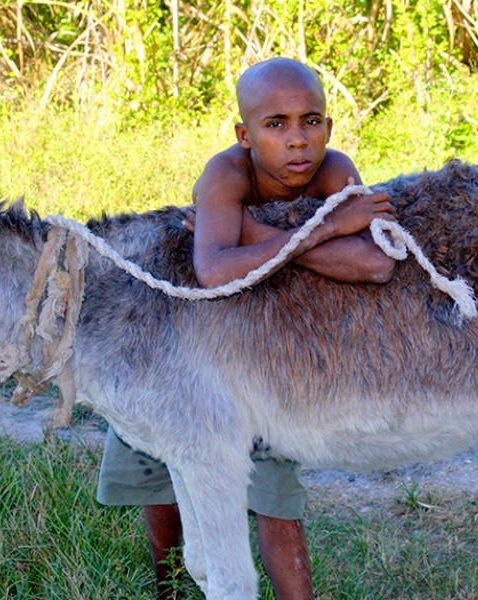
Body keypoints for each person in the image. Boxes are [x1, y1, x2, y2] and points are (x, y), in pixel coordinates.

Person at [97, 57, 396, 600]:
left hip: (267, 354)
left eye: (311, 121)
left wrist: (253, 235)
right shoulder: (227, 174)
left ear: (329, 127)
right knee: (158, 469)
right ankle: (169, 586)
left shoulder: (333, 172)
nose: (297, 140)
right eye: (275, 124)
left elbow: (375, 264)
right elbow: (213, 270)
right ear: (244, 135)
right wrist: (323, 230)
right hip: (182, 342)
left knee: (273, 486)